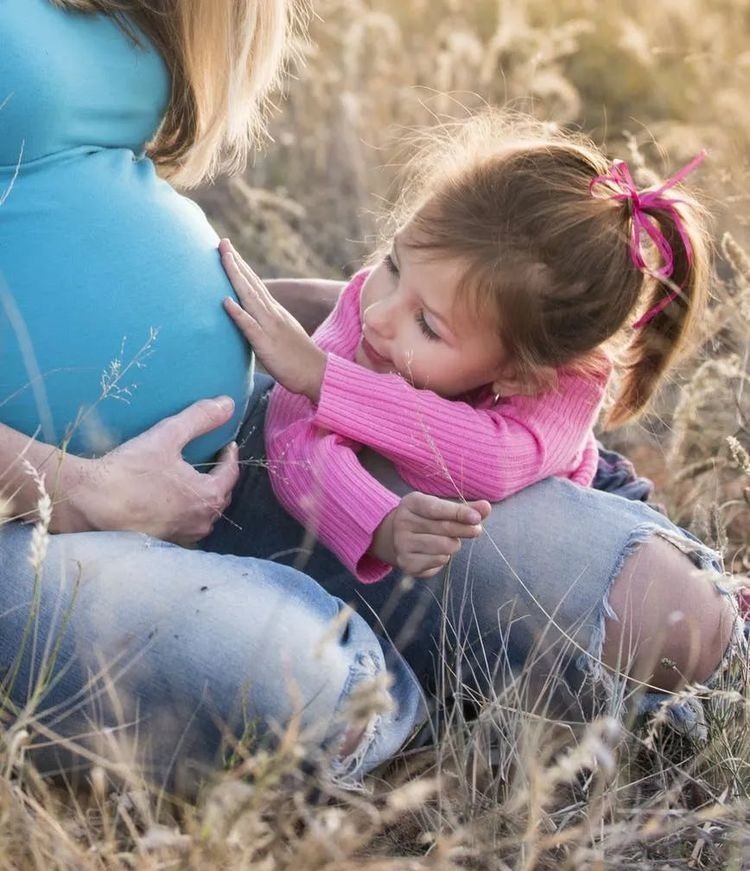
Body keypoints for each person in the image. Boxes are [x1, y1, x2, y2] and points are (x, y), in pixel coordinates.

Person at [0, 3, 743, 792]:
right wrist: (77, 488)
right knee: (317, 694)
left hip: (241, 439)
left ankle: (450, 665)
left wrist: (307, 341)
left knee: (665, 615)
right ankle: (418, 706)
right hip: (28, 514)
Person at [217, 115, 709, 589]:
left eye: (427, 324)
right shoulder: (373, 311)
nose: (379, 314)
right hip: (471, 532)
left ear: (521, 375)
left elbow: (492, 462)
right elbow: (291, 436)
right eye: (392, 264)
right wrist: (377, 521)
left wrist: (325, 380)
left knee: (688, 604)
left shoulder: (566, 383)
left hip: (590, 494)